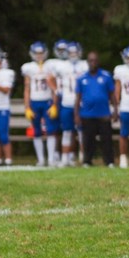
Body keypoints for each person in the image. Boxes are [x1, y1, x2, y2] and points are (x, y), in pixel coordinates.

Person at [19, 42, 60, 166]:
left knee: (51, 131)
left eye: (41, 53)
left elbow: (54, 87)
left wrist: (54, 104)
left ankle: (51, 159)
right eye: (37, 53)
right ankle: (41, 159)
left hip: (47, 101)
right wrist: (27, 107)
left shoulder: (50, 66)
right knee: (36, 131)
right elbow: (27, 88)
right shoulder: (29, 67)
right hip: (34, 101)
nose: (39, 56)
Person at [76, 51, 117, 166]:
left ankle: (109, 161)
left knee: (106, 139)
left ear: (98, 62)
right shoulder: (82, 78)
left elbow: (112, 95)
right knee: (88, 140)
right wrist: (76, 114)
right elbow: (78, 98)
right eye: (91, 60)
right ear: (87, 62)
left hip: (103, 113)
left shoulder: (106, 76)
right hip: (87, 114)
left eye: (95, 60)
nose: (93, 63)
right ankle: (87, 161)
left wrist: (115, 110)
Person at [51, 39, 79, 167]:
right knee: (65, 130)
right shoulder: (58, 65)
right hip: (65, 101)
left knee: (78, 131)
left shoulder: (83, 65)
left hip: (79, 103)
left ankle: (78, 157)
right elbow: (50, 78)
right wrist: (56, 90)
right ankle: (63, 157)